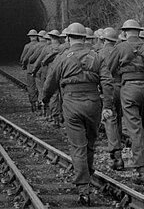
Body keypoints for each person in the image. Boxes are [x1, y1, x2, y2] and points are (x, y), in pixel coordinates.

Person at [42, 22, 112, 206]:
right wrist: (108, 106)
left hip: (72, 103)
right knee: (90, 142)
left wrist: (45, 98)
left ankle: (83, 188)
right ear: (85, 38)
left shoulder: (63, 57)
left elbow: (50, 81)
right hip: (93, 102)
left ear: (67, 38)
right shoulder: (97, 57)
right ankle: (88, 169)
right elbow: (107, 81)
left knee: (77, 146)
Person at [104, 19, 144, 185]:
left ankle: (141, 170)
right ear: (139, 32)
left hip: (128, 89)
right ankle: (143, 157)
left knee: (135, 128)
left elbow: (109, 69)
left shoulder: (120, 48)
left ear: (125, 32)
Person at [98, 27, 124, 171]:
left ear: (103, 40)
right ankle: (118, 145)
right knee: (118, 119)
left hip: (108, 89)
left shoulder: (99, 53)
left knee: (110, 120)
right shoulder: (121, 51)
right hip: (121, 88)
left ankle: (117, 156)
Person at [20, 29, 40, 113]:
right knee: (39, 86)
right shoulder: (41, 45)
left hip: (30, 69)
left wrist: (23, 65)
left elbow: (23, 58)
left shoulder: (27, 46)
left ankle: (33, 104)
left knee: (31, 87)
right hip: (39, 69)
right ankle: (40, 102)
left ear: (30, 37)